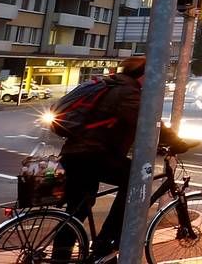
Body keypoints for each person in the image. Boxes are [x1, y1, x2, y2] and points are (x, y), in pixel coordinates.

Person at [55, 55, 146, 262]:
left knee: (77, 210)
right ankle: (106, 241)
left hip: (74, 154)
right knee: (136, 180)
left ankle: (60, 258)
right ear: (142, 75)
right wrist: (175, 142)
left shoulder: (110, 84)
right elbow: (146, 123)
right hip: (94, 155)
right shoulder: (128, 93)